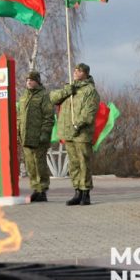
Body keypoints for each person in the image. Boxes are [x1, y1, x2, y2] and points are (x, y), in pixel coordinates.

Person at [50, 63, 100, 206]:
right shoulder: (69, 88)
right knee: (73, 164)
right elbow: (53, 98)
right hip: (68, 133)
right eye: (75, 70)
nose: (76, 72)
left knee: (84, 162)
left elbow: (89, 111)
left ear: (86, 73)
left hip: (81, 133)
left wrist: (78, 124)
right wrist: (67, 91)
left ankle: (86, 193)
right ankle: (77, 191)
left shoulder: (90, 91)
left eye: (79, 70)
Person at [17, 70, 54, 202]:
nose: (29, 82)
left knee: (40, 164)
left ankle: (42, 190)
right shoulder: (23, 96)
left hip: (39, 137)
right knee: (30, 165)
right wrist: (18, 132)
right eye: (27, 80)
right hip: (26, 137)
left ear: (37, 82)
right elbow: (19, 116)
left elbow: (49, 117)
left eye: (31, 80)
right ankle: (35, 189)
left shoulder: (44, 96)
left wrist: (44, 133)